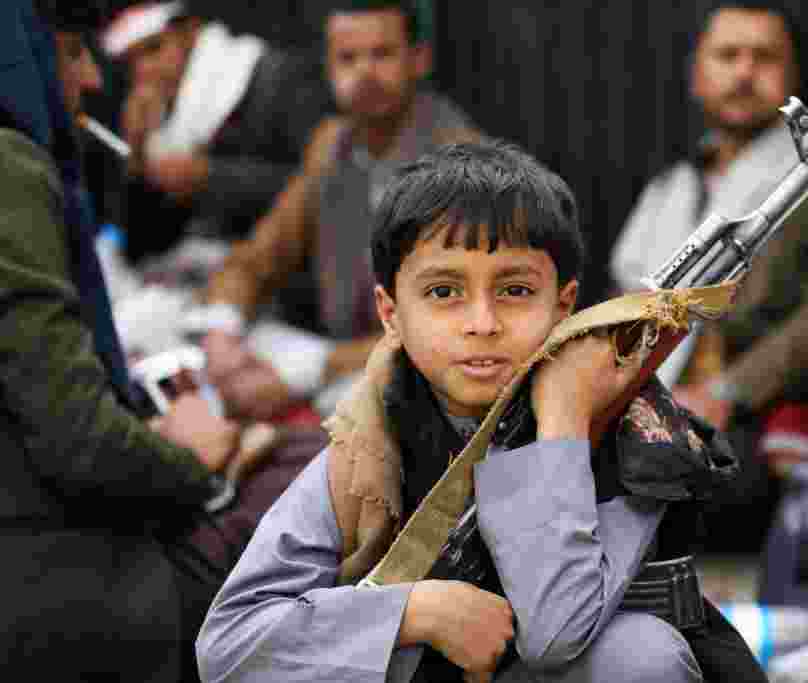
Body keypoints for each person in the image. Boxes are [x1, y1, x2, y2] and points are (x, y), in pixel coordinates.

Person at [197, 141, 770, 682]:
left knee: (637, 655)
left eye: (515, 291)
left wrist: (563, 420)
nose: (482, 323)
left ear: (563, 304)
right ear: (390, 313)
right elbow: (228, 645)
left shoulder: (632, 431)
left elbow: (555, 632)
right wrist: (414, 612)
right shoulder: (365, 450)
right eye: (444, 292)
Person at [609, 0, 808, 592]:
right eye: (727, 55)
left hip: (764, 417)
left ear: (792, 77)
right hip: (646, 400)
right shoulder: (673, 183)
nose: (744, 71)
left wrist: (726, 392)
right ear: (697, 73)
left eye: (763, 57)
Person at [0, 1, 239, 679]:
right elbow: (79, 441)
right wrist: (198, 462)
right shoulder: (7, 167)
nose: (94, 80)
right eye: (73, 53)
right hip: (50, 591)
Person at [191, 0, 481, 424]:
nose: (364, 73)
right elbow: (257, 259)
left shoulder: (462, 163)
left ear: (418, 60)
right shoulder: (330, 145)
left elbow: (452, 325)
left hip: (429, 388)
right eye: (348, 58)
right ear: (327, 66)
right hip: (337, 367)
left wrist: (309, 371)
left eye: (381, 54)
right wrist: (222, 330)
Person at [101, 0, 334, 262]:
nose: (144, 70)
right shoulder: (154, 115)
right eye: (131, 63)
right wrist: (137, 153)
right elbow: (140, 245)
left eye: (154, 49)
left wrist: (208, 177)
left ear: (190, 32)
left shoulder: (275, 77)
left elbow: (321, 187)